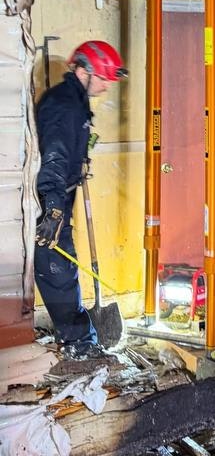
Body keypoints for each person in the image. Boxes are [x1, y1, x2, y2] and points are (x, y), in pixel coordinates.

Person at [34, 40, 127, 358]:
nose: (106, 85)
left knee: (61, 266)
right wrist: (54, 211)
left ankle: (78, 337)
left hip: (62, 195)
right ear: (85, 69)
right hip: (53, 201)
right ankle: (79, 344)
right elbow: (55, 158)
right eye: (104, 78)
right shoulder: (64, 104)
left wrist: (81, 161)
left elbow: (68, 148)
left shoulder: (76, 102)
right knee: (57, 267)